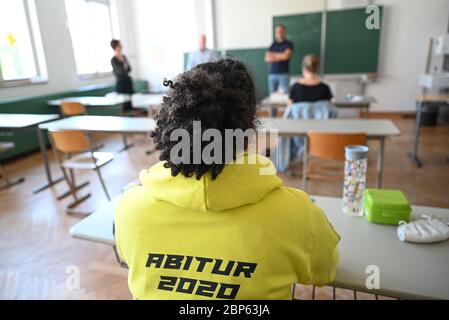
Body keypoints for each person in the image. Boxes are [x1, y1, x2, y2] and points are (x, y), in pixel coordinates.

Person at [114, 58, 340, 300]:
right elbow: (325, 270)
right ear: (249, 130)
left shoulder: (129, 209)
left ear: (171, 125)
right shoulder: (298, 215)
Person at [265, 24, 293, 95]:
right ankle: (274, 107)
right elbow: (267, 59)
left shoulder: (288, 44)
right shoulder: (273, 44)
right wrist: (281, 55)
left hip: (284, 74)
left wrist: (273, 55)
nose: (279, 33)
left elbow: (286, 56)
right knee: (272, 96)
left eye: (281, 31)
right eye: (277, 31)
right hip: (272, 74)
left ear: (284, 32)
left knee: (284, 95)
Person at [111, 39, 134, 112]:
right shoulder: (113, 60)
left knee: (130, 103)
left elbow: (129, 69)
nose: (121, 46)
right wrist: (124, 70)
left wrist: (123, 63)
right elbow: (120, 72)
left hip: (128, 82)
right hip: (121, 83)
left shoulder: (123, 57)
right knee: (123, 105)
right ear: (116, 47)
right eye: (120, 45)